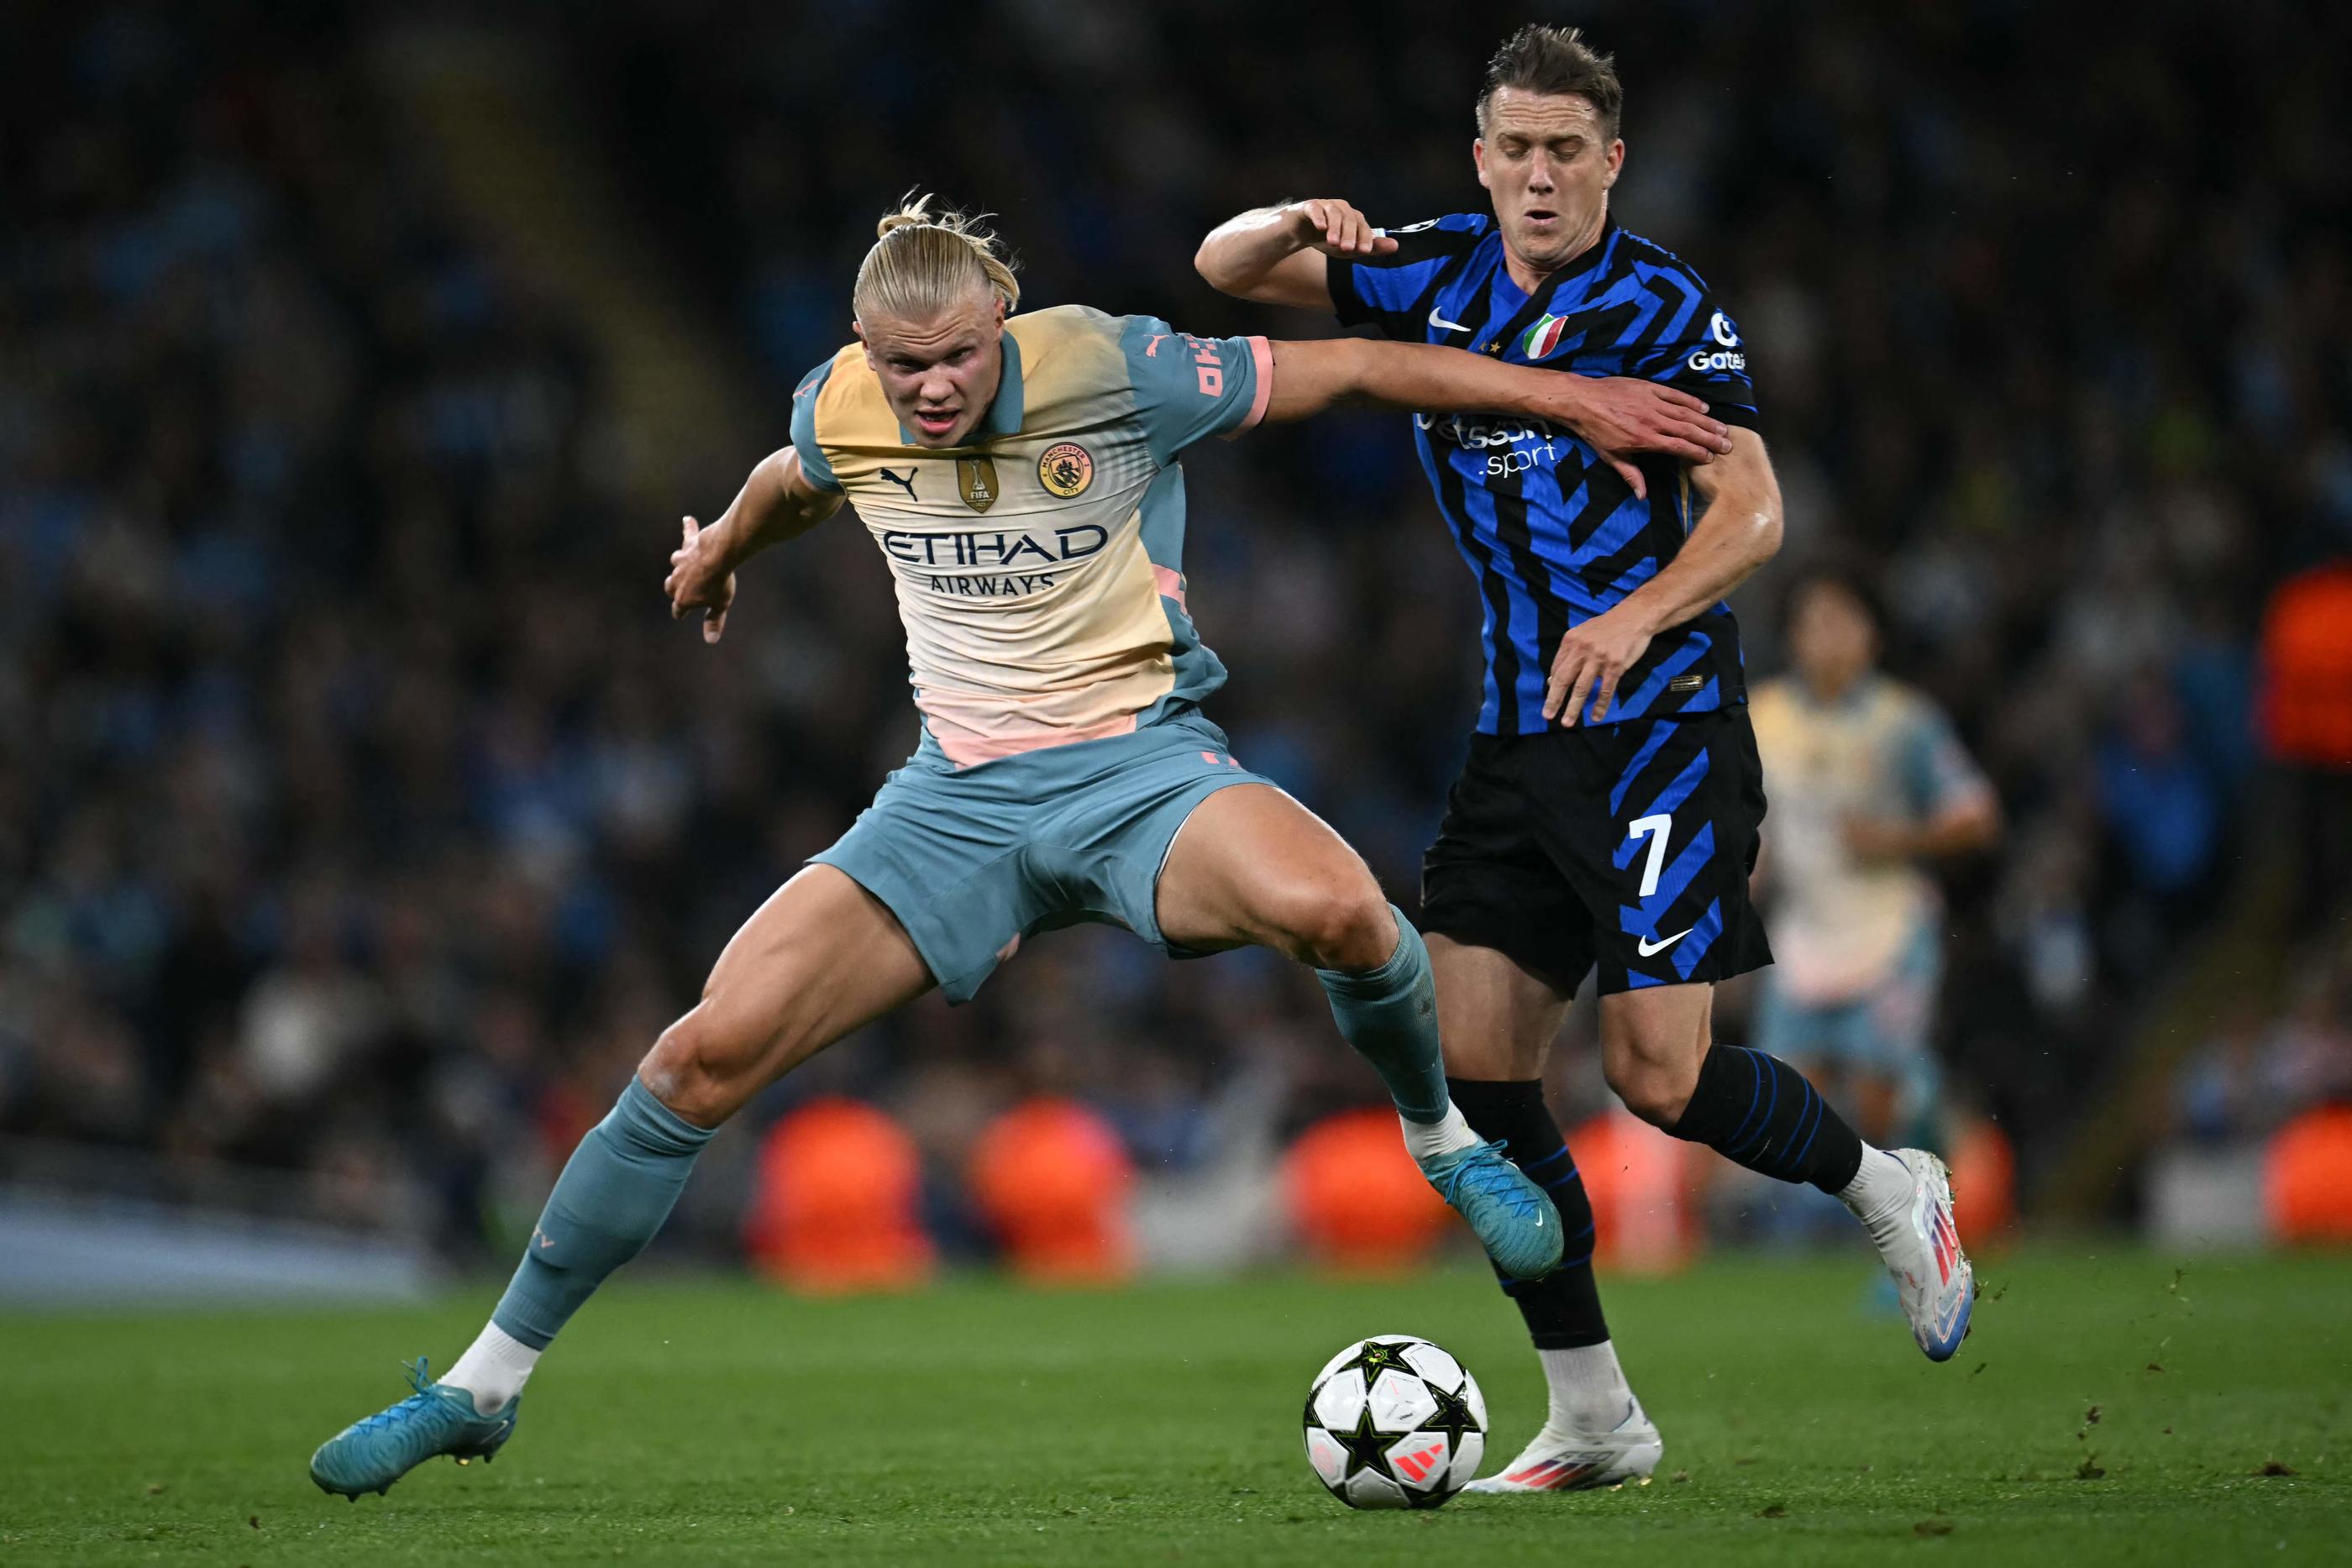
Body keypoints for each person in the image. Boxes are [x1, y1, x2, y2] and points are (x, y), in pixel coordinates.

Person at [305, 195, 1728, 1498]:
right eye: (899, 362)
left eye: (954, 360)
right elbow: (792, 475)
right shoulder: (846, 401)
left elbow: (1357, 368)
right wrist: (721, 550)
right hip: (954, 805)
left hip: (1137, 768)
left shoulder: (1118, 368)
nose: (927, 389)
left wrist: (1569, 394)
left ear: (1000, 324)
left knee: (1350, 914)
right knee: (696, 1055)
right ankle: (485, 1386)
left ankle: (1442, 1139)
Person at [1194, 24, 1975, 1494]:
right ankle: (1597, 1413)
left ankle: (1890, 1184)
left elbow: (1753, 515)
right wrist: (1300, 219)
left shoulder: (1666, 305)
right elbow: (1225, 271)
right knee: (1477, 1070)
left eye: (1567, 151)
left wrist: (1634, 614)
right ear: (1479, 157)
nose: (1539, 175)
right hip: (1515, 740)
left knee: (1659, 1079)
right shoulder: (1429, 266)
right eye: (1515, 149)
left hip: (1660, 728)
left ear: (1610, 161)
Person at [1749, 569, 2000, 1152]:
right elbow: (1750, 821)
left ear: (1873, 635)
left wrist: (1895, 839)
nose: (1826, 635)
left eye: (1842, 620)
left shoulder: (1904, 721)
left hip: (1888, 930)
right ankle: (1834, 1225)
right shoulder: (1762, 718)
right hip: (1805, 934)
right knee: (1790, 1106)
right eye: (1813, 621)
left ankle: (1939, 1152)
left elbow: (1978, 815)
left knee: (1876, 1100)